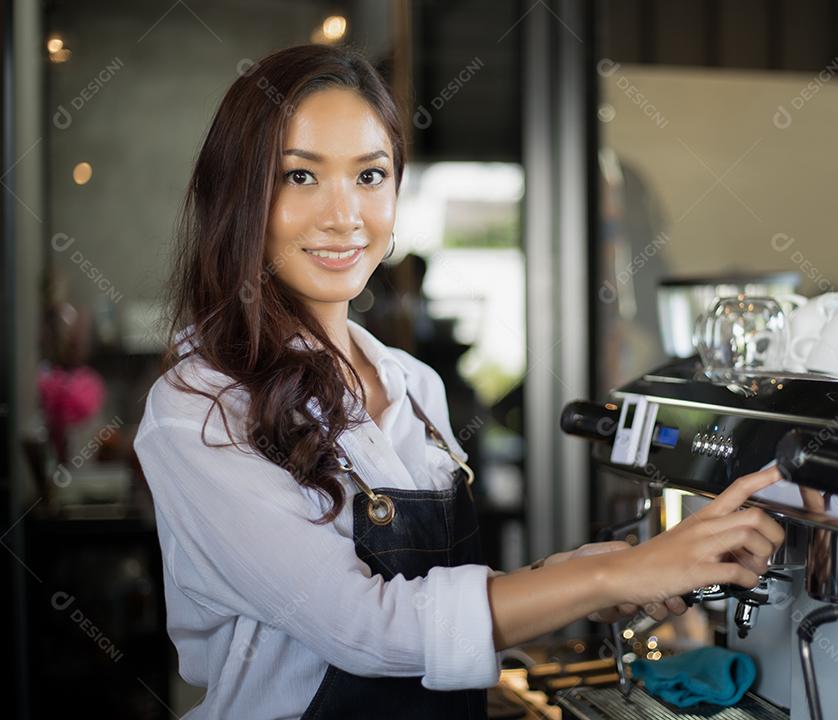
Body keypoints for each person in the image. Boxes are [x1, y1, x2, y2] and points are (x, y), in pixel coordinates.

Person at [133, 44, 785, 720]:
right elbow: (370, 629)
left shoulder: (413, 386)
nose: (344, 215)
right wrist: (612, 575)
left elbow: (435, 602)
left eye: (370, 175)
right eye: (300, 177)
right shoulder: (201, 409)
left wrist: (602, 573)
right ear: (238, 196)